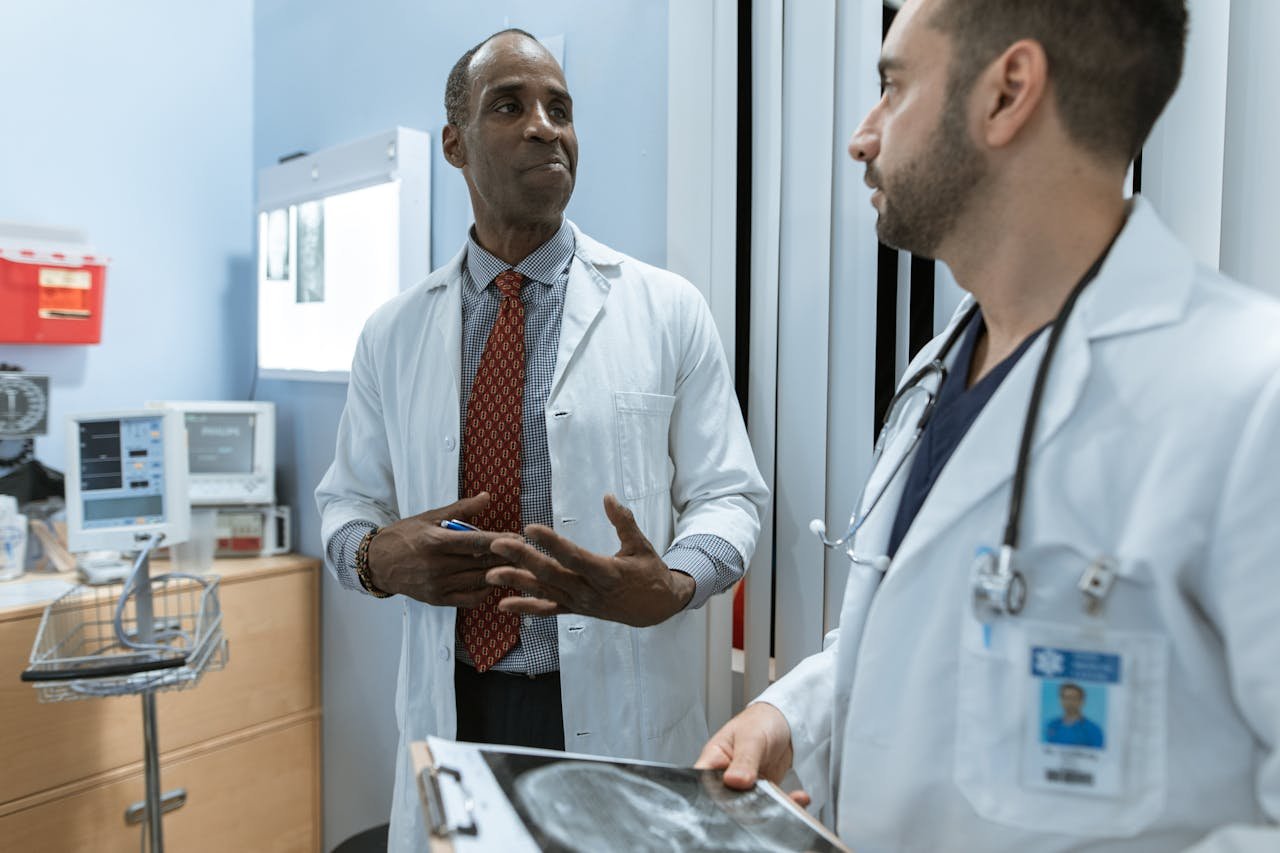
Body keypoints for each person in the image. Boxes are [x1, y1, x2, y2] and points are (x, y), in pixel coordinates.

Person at [695, 0, 1280, 850]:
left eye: (892, 87)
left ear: (1008, 93)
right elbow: (931, 638)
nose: (862, 137)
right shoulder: (937, 371)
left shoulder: (1249, 397)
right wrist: (794, 714)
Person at [315, 28, 766, 852]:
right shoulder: (392, 332)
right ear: (454, 144)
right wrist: (378, 558)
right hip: (458, 696)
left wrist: (671, 582)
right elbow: (345, 502)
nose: (545, 126)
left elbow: (730, 496)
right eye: (510, 105)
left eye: (560, 108)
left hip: (616, 698)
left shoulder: (667, 309)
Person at [1045, 683, 1104, 749]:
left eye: (1073, 698)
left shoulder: (1093, 730)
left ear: (1082, 701)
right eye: (1065, 698)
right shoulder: (1052, 725)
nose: (1069, 702)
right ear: (1060, 700)